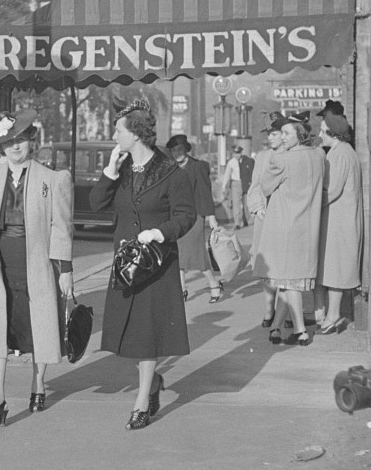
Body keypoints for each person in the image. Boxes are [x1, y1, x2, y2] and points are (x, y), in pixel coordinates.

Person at [89, 99, 196, 430]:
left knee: (147, 332)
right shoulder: (120, 170)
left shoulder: (170, 173)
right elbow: (96, 204)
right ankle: (152, 383)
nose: (114, 135)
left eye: (118, 130)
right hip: (127, 264)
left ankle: (141, 401)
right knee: (134, 332)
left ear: (135, 133)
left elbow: (186, 215)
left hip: (156, 264)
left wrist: (160, 232)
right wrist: (108, 171)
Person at [0, 109, 73, 426]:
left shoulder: (52, 180)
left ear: (32, 142)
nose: (15, 147)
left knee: (40, 326)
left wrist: (66, 269)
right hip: (1, 261)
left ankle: (38, 385)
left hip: (37, 260)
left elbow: (61, 227)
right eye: (9, 142)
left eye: (21, 140)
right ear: (1, 147)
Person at [253, 112, 325, 346]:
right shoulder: (319, 156)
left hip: (284, 227)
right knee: (288, 282)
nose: (282, 138)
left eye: (286, 133)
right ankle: (276, 327)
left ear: (299, 134)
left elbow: (264, 187)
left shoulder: (282, 160)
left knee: (288, 281)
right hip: (308, 226)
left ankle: (301, 331)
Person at [313, 114, 363, 334]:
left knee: (336, 268)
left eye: (323, 131)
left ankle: (333, 315)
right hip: (338, 220)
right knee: (333, 267)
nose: (319, 134)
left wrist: (310, 203)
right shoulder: (342, 151)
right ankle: (329, 314)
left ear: (333, 133)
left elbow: (331, 190)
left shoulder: (340, 153)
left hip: (339, 221)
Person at [166, 134, 223, 303]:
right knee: (178, 252)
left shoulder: (198, 167)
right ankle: (182, 289)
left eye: (180, 149)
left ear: (186, 149)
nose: (177, 153)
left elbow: (205, 193)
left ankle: (214, 283)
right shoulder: (170, 169)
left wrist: (211, 218)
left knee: (195, 253)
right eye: (174, 150)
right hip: (176, 216)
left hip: (195, 216)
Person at [247, 112, 287, 327]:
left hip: (286, 218)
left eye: (275, 133)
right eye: (269, 134)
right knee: (267, 266)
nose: (271, 138)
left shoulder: (291, 154)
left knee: (286, 265)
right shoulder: (262, 157)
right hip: (265, 218)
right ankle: (269, 308)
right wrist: (257, 208)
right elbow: (254, 188)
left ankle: (285, 311)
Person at [221, 145, 250, 229]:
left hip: (244, 183)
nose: (237, 155)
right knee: (236, 203)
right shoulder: (231, 163)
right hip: (235, 183)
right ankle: (237, 223)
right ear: (233, 154)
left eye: (238, 153)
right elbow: (227, 175)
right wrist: (224, 187)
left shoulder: (246, 161)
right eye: (235, 153)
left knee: (246, 203)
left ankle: (246, 220)